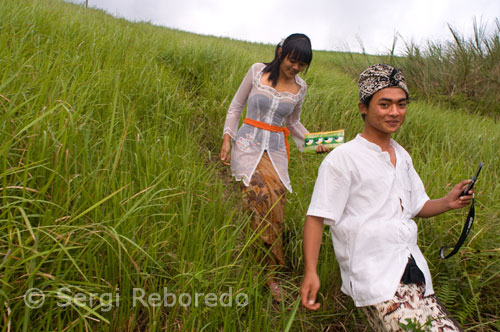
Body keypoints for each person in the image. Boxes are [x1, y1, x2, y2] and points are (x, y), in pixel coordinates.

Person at [300, 64, 473, 331]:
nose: (395, 112)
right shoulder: (343, 159)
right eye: (385, 104)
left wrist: (448, 202)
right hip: (376, 278)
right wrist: (311, 272)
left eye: (401, 104)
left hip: (415, 273)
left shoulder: (402, 156)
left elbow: (417, 206)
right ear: (363, 107)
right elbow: (315, 217)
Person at [220, 33, 329, 302]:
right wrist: (227, 139)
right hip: (247, 145)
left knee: (275, 207)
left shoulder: (300, 88)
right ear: (281, 52)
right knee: (258, 199)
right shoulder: (257, 71)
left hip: (277, 151)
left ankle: (269, 272)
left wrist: (313, 142)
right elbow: (236, 107)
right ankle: (258, 271)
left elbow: (292, 123)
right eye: (293, 60)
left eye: (301, 64)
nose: (295, 68)